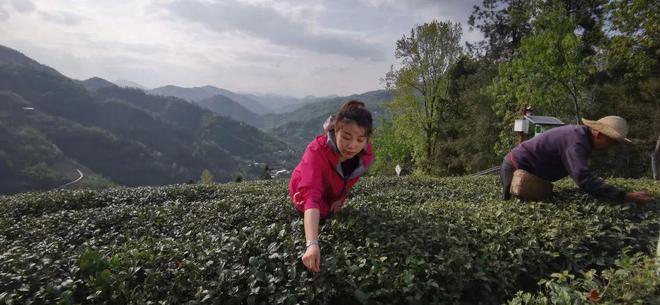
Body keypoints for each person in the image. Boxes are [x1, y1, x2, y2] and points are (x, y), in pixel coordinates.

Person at [289, 100, 375, 273]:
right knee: (319, 215)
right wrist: (312, 244)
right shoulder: (316, 151)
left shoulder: (364, 155)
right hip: (304, 191)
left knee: (330, 212)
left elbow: (350, 178)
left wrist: (341, 198)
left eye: (360, 139)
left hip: (332, 191)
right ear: (336, 130)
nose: (352, 146)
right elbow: (311, 195)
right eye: (346, 137)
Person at [500, 115, 655, 204]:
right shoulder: (577, 141)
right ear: (600, 134)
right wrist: (626, 196)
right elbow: (583, 178)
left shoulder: (581, 137)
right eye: (612, 142)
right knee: (513, 206)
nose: (611, 147)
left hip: (532, 173)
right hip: (516, 170)